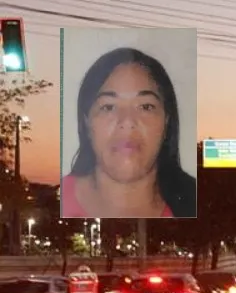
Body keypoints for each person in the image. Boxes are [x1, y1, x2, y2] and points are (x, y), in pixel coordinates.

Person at [62, 47, 196, 218]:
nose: (127, 122)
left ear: (167, 122)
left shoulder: (193, 204)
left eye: (146, 107)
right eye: (108, 107)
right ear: (86, 122)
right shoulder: (55, 202)